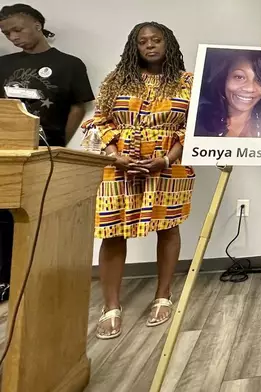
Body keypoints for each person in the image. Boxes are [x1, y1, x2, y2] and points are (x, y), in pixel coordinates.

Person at [83, 22, 196, 340]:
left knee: (168, 227)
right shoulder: (115, 80)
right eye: (142, 41)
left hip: (168, 168)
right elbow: (99, 119)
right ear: (134, 47)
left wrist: (166, 159)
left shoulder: (187, 82)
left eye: (156, 40)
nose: (149, 45)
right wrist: (113, 153)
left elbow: (193, 126)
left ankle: (163, 294)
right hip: (119, 166)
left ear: (168, 43)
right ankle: (111, 306)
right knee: (112, 231)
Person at [0, 3, 94, 302]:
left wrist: (60, 142)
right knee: (4, 216)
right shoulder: (3, 64)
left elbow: (80, 104)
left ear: (37, 25)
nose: (13, 37)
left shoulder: (70, 64)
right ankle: (6, 280)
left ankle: (40, 278)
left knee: (43, 215)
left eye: (17, 29)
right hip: (8, 151)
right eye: (6, 33)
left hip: (46, 152)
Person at [194, 50, 261, 138]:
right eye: (239, 77)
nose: (250, 88)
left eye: (259, 80)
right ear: (224, 79)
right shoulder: (198, 124)